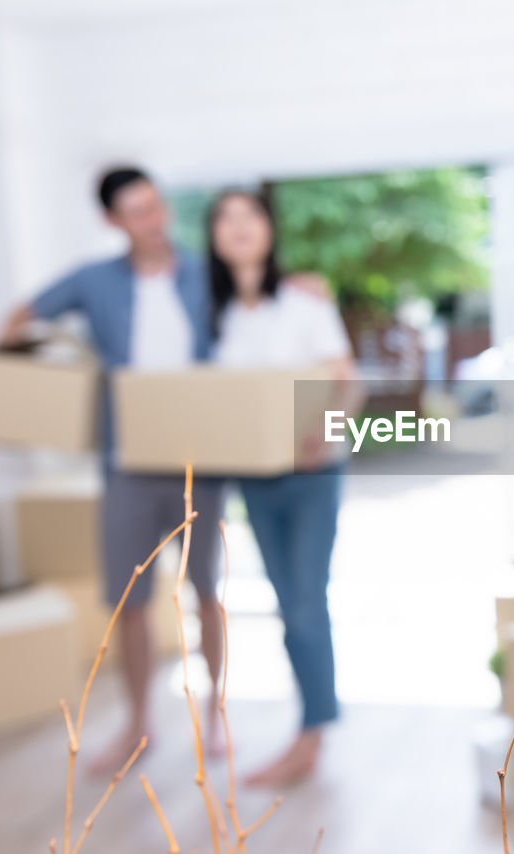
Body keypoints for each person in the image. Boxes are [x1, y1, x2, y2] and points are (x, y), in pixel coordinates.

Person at [0, 166, 228, 772]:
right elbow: (20, 319)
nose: (153, 221)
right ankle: (138, 724)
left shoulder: (205, 273)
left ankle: (215, 715)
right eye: (137, 212)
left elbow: (260, 300)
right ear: (112, 221)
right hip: (126, 460)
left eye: (156, 206)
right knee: (129, 596)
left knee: (206, 588)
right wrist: (45, 380)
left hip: (198, 457)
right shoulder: (94, 281)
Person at [207, 189, 363, 786]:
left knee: (303, 605)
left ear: (269, 229)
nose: (240, 228)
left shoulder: (303, 302)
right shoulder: (215, 316)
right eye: (227, 218)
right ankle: (311, 728)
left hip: (312, 473)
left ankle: (310, 736)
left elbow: (346, 383)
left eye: (251, 217)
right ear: (214, 235)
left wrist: (321, 434)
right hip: (254, 478)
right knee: (287, 604)